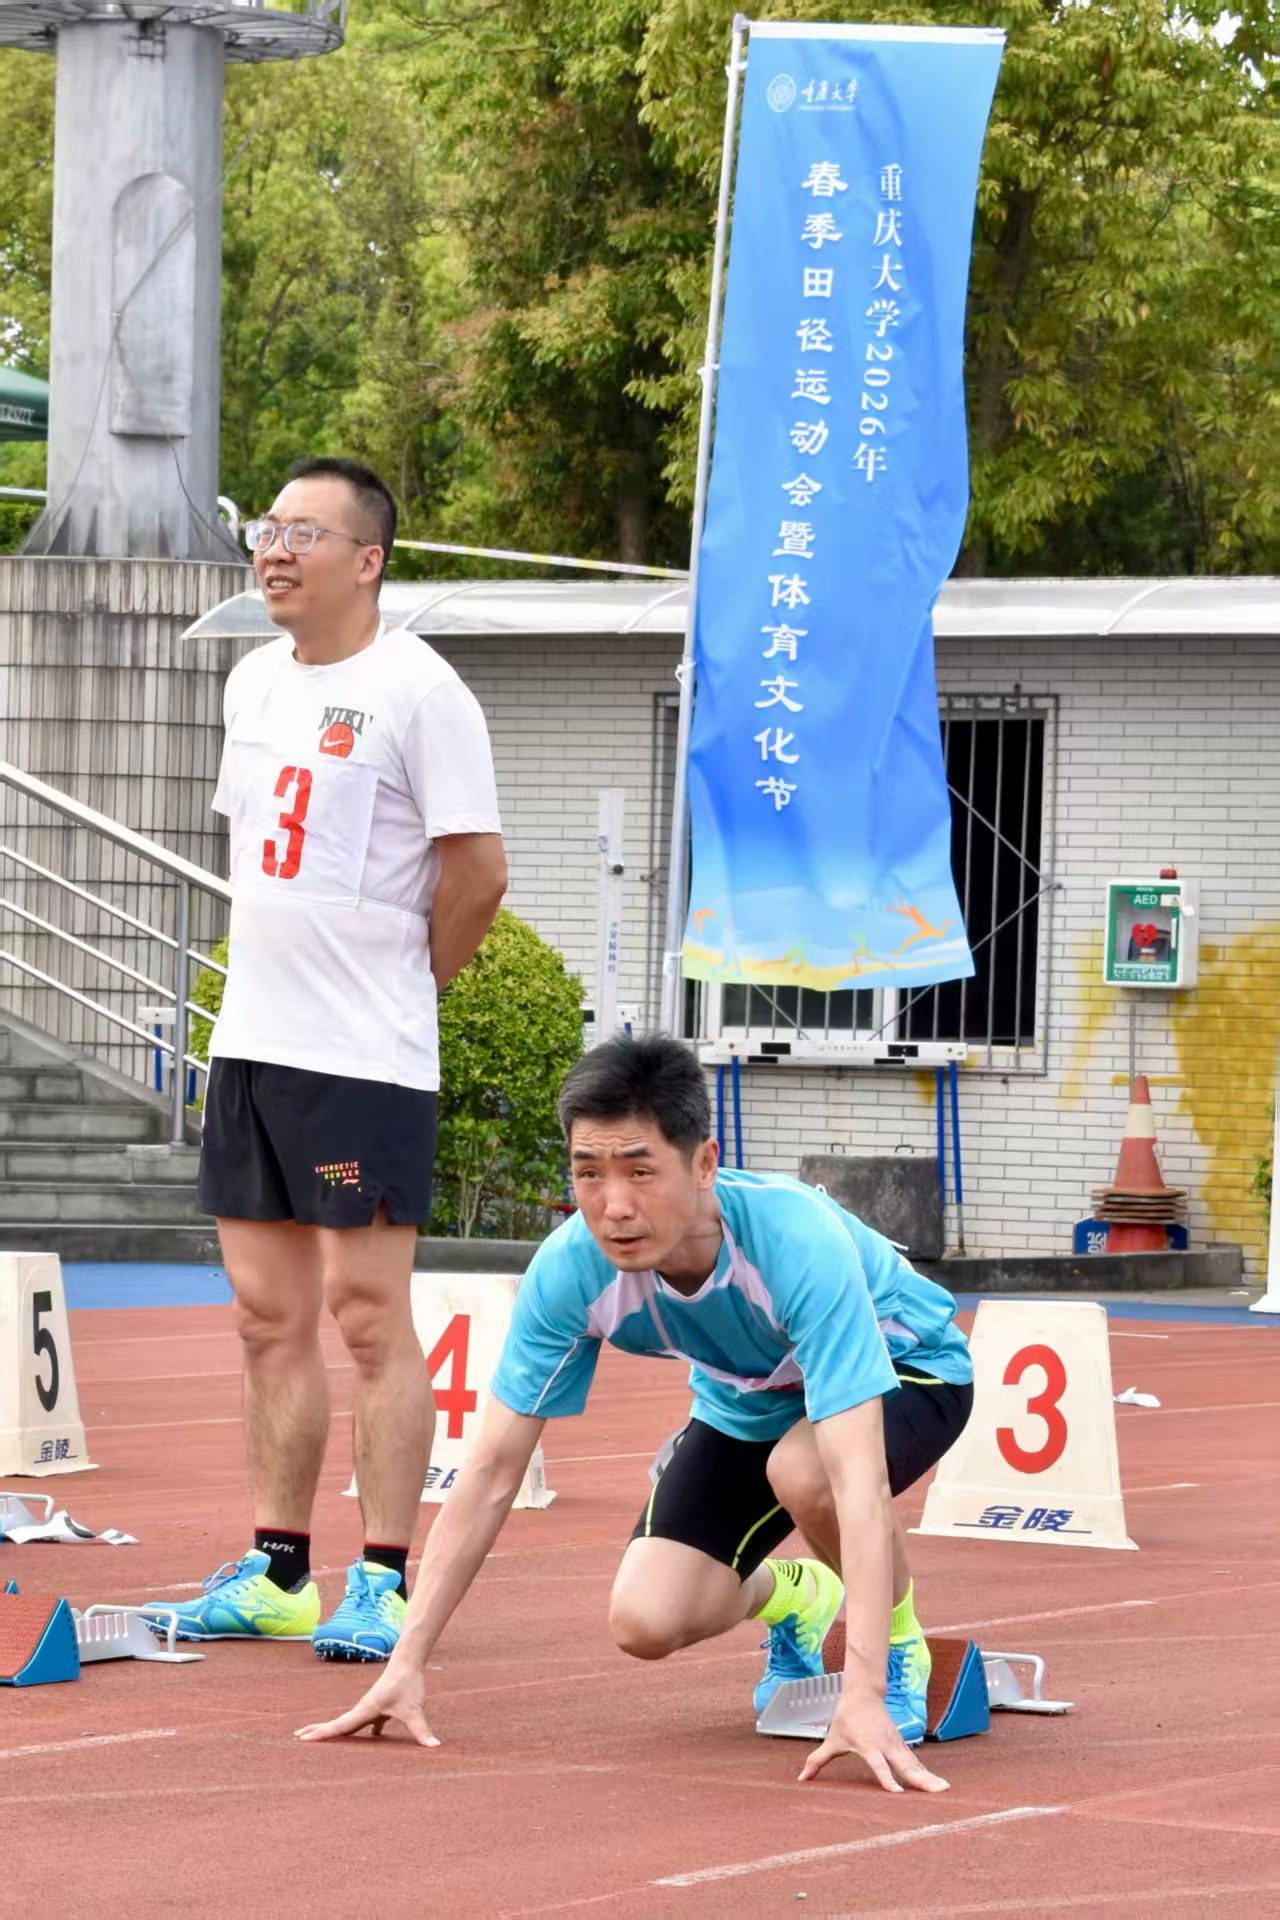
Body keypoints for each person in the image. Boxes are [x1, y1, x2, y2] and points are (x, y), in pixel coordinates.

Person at [296, 1034, 973, 1792]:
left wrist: (862, 1691)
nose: (614, 1206)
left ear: (705, 1164)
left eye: (640, 1171)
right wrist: (406, 1662)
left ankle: (902, 1648)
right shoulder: (570, 1270)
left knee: (807, 1469)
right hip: (750, 1399)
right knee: (645, 1621)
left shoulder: (793, 1240)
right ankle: (798, 1597)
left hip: (911, 1369)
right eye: (589, 1173)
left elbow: (856, 1480)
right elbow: (489, 1474)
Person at [145, 457, 506, 1662]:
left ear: (369, 559)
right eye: (269, 528)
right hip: (251, 1045)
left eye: (305, 532)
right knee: (265, 1315)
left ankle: (385, 1577)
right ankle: (277, 1570)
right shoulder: (252, 681)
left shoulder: (421, 690)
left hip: (361, 1064)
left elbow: (477, 873)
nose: (275, 549)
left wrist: (407, 987)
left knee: (364, 1313)